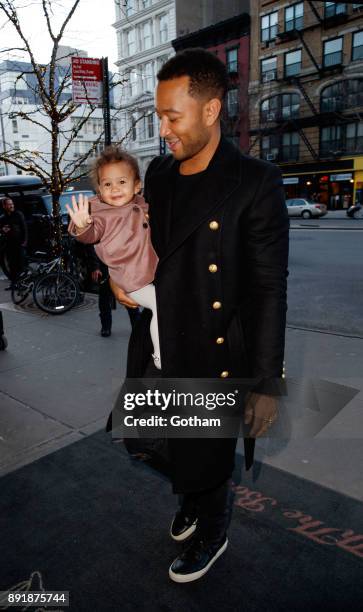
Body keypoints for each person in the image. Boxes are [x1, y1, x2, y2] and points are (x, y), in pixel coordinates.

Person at [108, 48, 289, 583]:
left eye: (171, 116)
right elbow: (133, 239)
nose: (162, 128)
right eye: (158, 116)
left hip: (215, 349)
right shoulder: (160, 175)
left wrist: (266, 381)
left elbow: (267, 289)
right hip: (162, 339)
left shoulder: (256, 181)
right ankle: (193, 491)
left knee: (202, 455)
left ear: (210, 111)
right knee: (140, 439)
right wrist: (119, 279)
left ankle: (212, 522)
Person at [66, 148, 160, 368]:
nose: (115, 189)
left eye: (121, 182)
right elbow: (91, 234)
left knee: (164, 307)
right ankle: (160, 356)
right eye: (107, 184)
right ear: (99, 189)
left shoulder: (142, 203)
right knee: (161, 306)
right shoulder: (99, 212)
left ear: (137, 185)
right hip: (130, 277)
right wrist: (82, 225)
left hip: (153, 271)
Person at [85, 245, 141, 337]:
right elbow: (91, 246)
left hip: (121, 263)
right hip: (104, 265)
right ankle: (106, 326)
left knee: (127, 295)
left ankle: (137, 326)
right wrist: (95, 267)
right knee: (105, 297)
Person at [0, 198, 28, 289]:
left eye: (12, 204)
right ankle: (13, 284)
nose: (11, 206)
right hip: (9, 245)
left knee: (21, 264)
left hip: (19, 243)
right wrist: (3, 230)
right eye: (9, 204)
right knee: (12, 265)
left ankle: (22, 283)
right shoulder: (3, 217)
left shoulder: (18, 214)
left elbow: (24, 228)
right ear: (4, 206)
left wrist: (24, 242)